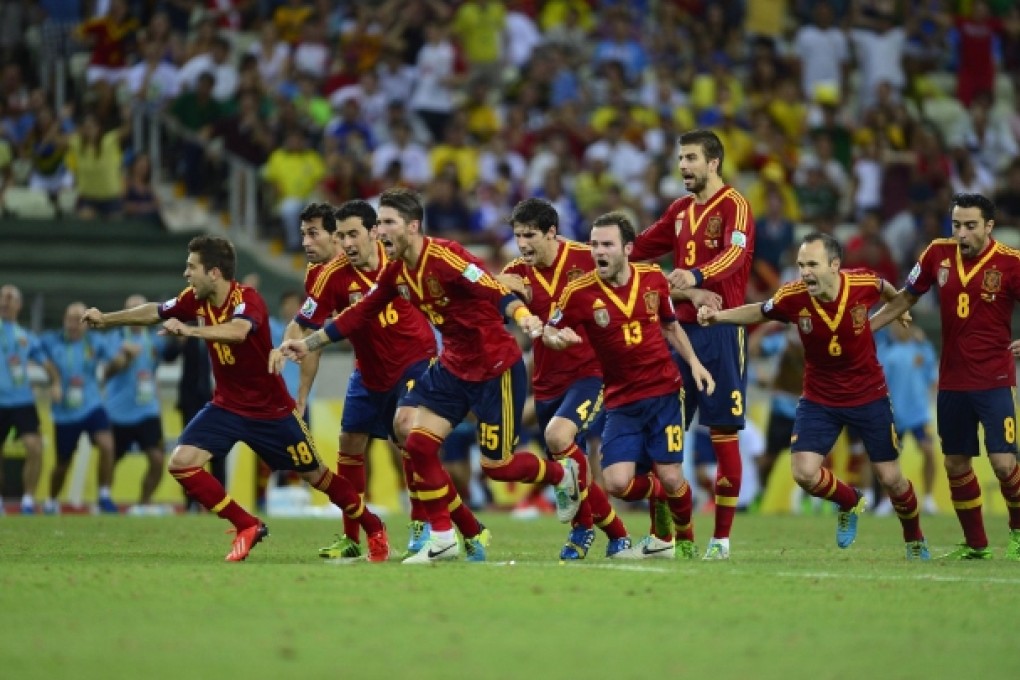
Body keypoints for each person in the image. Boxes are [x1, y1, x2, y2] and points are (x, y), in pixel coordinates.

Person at [279, 188, 581, 565]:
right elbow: (361, 313)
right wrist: (309, 343)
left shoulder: (446, 256)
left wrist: (526, 320)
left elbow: (493, 290)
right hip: (452, 367)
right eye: (379, 223)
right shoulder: (396, 270)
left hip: (494, 367)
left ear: (412, 226)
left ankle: (560, 473)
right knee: (414, 439)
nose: (381, 231)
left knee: (497, 467)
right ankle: (442, 536)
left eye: (387, 223)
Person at [82, 236, 391, 562]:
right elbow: (155, 312)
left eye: (192, 267)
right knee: (182, 464)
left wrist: (191, 332)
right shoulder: (195, 299)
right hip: (227, 406)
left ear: (214, 272)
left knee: (319, 478)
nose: (186, 274)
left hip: (271, 411)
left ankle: (373, 527)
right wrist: (106, 318)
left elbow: (238, 331)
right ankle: (247, 525)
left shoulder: (248, 299)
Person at [272, 201, 486, 562]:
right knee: (349, 442)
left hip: (416, 362)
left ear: (374, 233)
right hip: (369, 371)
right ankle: (353, 537)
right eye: (341, 235)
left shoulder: (398, 260)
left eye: (352, 234)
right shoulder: (329, 276)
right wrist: (289, 363)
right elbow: (305, 326)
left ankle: (424, 526)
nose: (346, 243)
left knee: (407, 432)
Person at [699, 233, 930, 560]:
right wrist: (718, 317)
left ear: (835, 266)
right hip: (820, 397)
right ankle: (850, 500)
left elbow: (887, 289)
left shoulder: (860, 282)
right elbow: (758, 312)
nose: (804, 272)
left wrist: (898, 311)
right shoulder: (792, 296)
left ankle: (915, 539)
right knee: (804, 472)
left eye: (812, 264)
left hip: (869, 394)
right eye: (801, 265)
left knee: (892, 479)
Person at [544, 211, 715, 560]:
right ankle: (662, 498)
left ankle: (684, 534)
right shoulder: (578, 291)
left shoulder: (652, 278)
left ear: (627, 248)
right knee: (617, 485)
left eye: (607, 244)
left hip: (665, 392)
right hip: (621, 400)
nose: (598, 252)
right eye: (593, 244)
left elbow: (670, 326)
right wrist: (555, 338)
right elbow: (551, 328)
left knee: (671, 476)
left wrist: (696, 364)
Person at [871, 193, 1020, 560]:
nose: (962, 233)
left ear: (989, 226)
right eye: (956, 225)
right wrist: (865, 329)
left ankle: (1018, 536)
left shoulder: (1011, 262)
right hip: (952, 379)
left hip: (995, 377)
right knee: (956, 462)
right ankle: (976, 544)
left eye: (970, 225)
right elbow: (906, 297)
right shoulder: (937, 254)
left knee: (1003, 463)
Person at [630, 129, 756, 560]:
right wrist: (593, 252)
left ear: (713, 162)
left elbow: (735, 257)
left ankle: (720, 540)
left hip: (721, 331)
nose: (683, 166)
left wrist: (695, 277)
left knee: (722, 435)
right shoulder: (679, 211)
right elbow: (638, 251)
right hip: (677, 334)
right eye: (680, 158)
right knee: (661, 438)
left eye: (690, 158)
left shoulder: (735, 205)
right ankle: (665, 537)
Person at [499, 197, 632, 560]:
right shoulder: (517, 271)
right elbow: (492, 296)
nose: (523, 244)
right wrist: (499, 283)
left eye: (530, 235)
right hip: (545, 380)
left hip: (591, 372)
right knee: (568, 470)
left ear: (552, 232)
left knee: (560, 438)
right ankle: (609, 533)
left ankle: (585, 530)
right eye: (517, 236)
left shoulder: (586, 257)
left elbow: (627, 277)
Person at [40, 302, 120, 514]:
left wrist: (122, 360)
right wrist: (54, 380)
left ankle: (104, 495)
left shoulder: (95, 341)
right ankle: (50, 501)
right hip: (64, 412)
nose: (74, 324)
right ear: (64, 320)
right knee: (62, 464)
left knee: (107, 445)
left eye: (79, 319)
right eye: (70, 318)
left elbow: (115, 360)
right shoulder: (51, 341)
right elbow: (35, 355)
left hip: (92, 404)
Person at [103, 294, 170, 511]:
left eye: (138, 308)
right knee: (110, 460)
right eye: (130, 309)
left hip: (147, 409)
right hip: (118, 411)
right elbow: (107, 371)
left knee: (158, 460)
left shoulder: (154, 339)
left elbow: (168, 356)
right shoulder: (115, 338)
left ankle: (143, 503)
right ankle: (104, 498)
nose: (134, 313)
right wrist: (124, 358)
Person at [0, 285, 61, 514]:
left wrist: (55, 382)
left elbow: (48, 366)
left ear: (19, 305)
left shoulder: (25, 336)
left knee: (35, 447)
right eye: (2, 297)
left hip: (22, 400)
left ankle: (27, 500)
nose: (5, 302)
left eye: (10, 298)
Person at [875, 323, 938, 515]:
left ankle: (927, 498)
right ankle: (887, 501)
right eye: (894, 326)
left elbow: (932, 379)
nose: (897, 330)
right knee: (888, 458)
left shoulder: (923, 349)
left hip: (919, 414)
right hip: (895, 415)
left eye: (900, 325)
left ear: (909, 327)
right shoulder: (886, 352)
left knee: (929, 452)